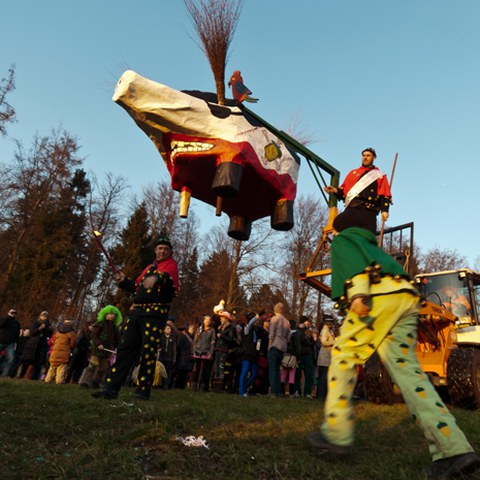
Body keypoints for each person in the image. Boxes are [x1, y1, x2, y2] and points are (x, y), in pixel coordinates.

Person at [306, 224, 480, 480]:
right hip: (407, 298)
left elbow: (352, 263)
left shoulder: (344, 237)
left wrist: (356, 294)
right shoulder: (372, 244)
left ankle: (336, 434)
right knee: (410, 375)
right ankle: (453, 449)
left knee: (343, 354)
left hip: (380, 297)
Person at [92, 236, 179, 400]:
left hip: (154, 314)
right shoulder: (149, 268)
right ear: (155, 250)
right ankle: (110, 389)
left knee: (148, 352)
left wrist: (157, 278)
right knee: (125, 350)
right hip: (137, 313)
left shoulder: (171, 266)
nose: (162, 251)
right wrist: (124, 281)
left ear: (170, 252)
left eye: (166, 249)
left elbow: (170, 281)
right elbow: (137, 287)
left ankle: (142, 392)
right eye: (160, 248)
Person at [324, 148, 391, 235]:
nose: (365, 157)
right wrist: (335, 190)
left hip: (369, 211)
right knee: (338, 224)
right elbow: (344, 191)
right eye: (363, 155)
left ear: (374, 158)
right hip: (353, 208)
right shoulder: (353, 173)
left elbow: (384, 194)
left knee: (368, 238)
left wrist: (385, 210)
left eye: (368, 155)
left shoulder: (380, 175)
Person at [79, 306, 122, 389]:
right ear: (105, 315)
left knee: (103, 368)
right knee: (92, 366)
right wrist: (99, 343)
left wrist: (119, 347)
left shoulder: (114, 328)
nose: (113, 315)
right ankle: (84, 383)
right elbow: (94, 336)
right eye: (111, 313)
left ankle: (95, 383)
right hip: (96, 350)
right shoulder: (99, 324)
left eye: (114, 314)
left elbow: (117, 340)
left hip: (107, 351)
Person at [20, 311, 53, 380]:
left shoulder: (48, 325)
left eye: (45, 316)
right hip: (33, 344)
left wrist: (48, 328)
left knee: (38, 362)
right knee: (27, 361)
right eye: (43, 316)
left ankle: (34, 377)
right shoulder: (36, 323)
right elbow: (32, 333)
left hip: (42, 345)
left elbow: (50, 334)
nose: (44, 317)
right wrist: (40, 328)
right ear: (40, 316)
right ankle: (22, 375)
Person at [267, 303, 291, 397]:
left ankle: (273, 391)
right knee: (277, 370)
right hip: (283, 348)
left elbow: (271, 333)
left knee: (272, 369)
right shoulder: (287, 322)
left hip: (275, 345)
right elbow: (288, 337)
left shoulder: (275, 319)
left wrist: (269, 345)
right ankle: (279, 391)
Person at [44, 319, 76, 384]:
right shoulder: (72, 333)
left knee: (52, 367)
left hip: (55, 352)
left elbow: (53, 341)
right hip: (64, 352)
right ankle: (59, 381)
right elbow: (72, 344)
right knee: (61, 368)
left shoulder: (58, 332)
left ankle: (47, 380)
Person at [238, 312, 261, 397]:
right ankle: (241, 392)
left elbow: (258, 342)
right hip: (247, 354)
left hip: (254, 354)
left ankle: (244, 388)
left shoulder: (255, 330)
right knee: (244, 372)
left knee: (254, 373)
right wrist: (257, 316)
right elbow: (250, 323)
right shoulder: (246, 328)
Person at [192, 315, 216, 392]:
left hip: (206, 351)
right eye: (206, 320)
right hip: (198, 351)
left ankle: (202, 386)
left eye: (209, 320)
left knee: (205, 370)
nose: (207, 321)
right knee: (196, 369)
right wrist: (193, 350)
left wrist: (210, 352)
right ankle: (194, 385)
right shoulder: (199, 329)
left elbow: (213, 342)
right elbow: (195, 341)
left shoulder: (212, 330)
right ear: (203, 320)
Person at [294, 315, 316, 398]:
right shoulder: (298, 332)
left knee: (308, 375)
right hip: (300, 355)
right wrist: (312, 342)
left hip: (307, 355)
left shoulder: (308, 331)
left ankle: (307, 392)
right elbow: (305, 341)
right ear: (303, 322)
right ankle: (297, 391)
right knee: (298, 374)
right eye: (307, 321)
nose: (308, 323)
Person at [316, 317, 335, 400]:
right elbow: (323, 342)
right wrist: (334, 342)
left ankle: (324, 395)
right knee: (323, 377)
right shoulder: (325, 331)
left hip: (328, 357)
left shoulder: (329, 331)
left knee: (326, 377)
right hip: (324, 357)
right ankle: (321, 395)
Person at [0, 308, 21, 376]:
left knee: (11, 359)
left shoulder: (17, 323)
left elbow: (17, 334)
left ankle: (4, 374)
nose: (13, 314)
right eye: (12, 312)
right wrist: (8, 317)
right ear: (8, 313)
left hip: (10, 344)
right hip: (1, 341)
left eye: (14, 313)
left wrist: (16, 343)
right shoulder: (4, 320)